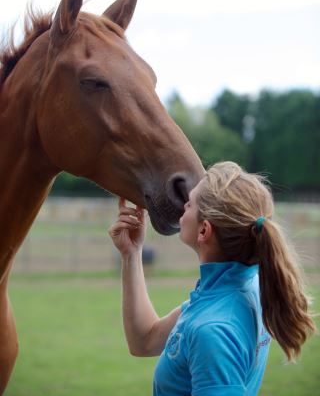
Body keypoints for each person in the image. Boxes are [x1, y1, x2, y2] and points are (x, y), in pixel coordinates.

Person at [108, 161, 316, 395]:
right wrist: (132, 253)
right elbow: (144, 341)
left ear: (204, 231)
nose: (182, 205)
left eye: (190, 204)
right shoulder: (239, 289)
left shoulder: (214, 328)